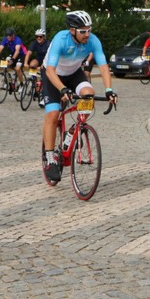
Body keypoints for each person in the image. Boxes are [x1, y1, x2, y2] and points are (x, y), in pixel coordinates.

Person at [41, 11, 117, 183]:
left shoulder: (93, 41)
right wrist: (62, 89)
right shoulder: (61, 39)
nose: (87, 34)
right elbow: (50, 70)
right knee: (53, 114)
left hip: (74, 74)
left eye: (89, 30)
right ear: (72, 30)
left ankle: (73, 130)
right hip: (53, 75)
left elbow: (103, 66)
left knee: (89, 95)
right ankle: (50, 158)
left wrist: (109, 90)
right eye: (83, 31)